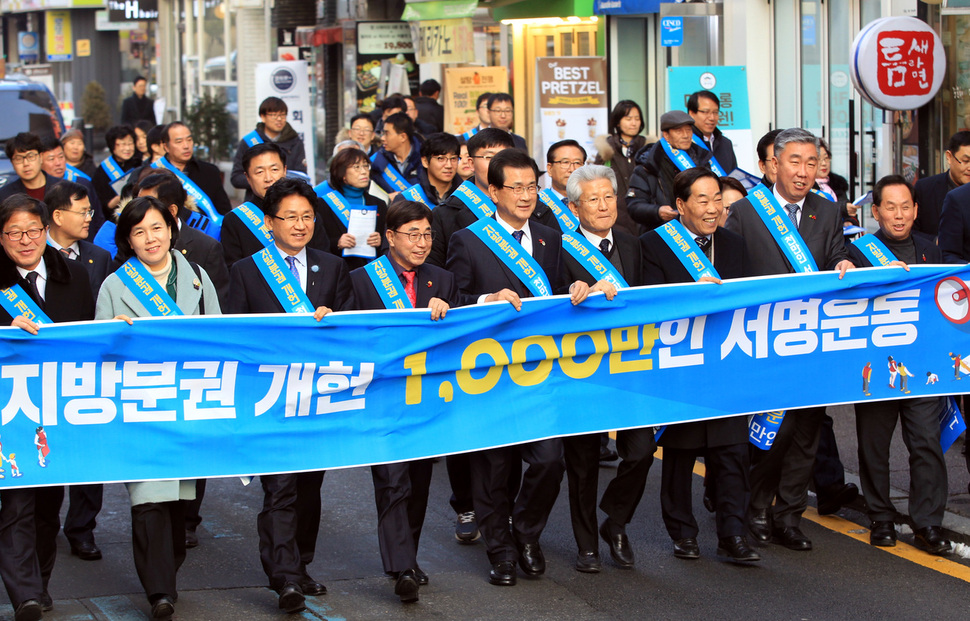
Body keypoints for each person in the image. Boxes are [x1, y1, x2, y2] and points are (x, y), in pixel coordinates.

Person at [446, 149, 592, 586]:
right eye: (517, 187)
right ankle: (501, 552)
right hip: (489, 375)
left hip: (538, 373)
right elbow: (454, 304)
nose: (527, 196)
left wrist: (579, 285)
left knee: (549, 461)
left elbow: (555, 292)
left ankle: (526, 533)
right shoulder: (468, 240)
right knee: (494, 468)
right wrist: (484, 301)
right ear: (493, 191)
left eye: (533, 186)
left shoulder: (550, 237)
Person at [228, 178, 354, 614]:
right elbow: (236, 336)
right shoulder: (247, 271)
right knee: (279, 488)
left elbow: (350, 329)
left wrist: (332, 319)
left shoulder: (332, 266)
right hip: (271, 398)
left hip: (317, 397)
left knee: (309, 486)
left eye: (306, 217)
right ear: (269, 223)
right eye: (290, 217)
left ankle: (301, 564)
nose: (300, 225)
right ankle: (283, 577)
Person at [725, 128, 853, 552]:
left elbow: (835, 252)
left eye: (811, 163)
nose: (803, 171)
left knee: (807, 430)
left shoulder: (827, 210)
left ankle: (790, 515)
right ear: (774, 164)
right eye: (794, 162)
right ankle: (757, 506)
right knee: (771, 430)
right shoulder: (746, 212)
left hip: (814, 339)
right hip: (764, 340)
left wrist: (844, 261)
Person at [95, 195, 220, 621]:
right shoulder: (115, 285)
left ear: (171, 229)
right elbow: (98, 357)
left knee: (179, 503)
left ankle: (166, 578)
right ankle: (159, 592)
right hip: (140, 409)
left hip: (188, 408)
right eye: (138, 231)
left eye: (156, 228)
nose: (150, 238)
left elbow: (220, 342)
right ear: (128, 240)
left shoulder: (199, 279)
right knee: (148, 500)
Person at [641, 168, 758, 563]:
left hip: (726, 364)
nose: (713, 209)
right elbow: (653, 306)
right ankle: (682, 532)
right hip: (681, 366)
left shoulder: (734, 244)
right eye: (703, 201)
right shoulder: (654, 245)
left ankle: (733, 534)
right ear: (680, 205)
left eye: (718, 200)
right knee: (680, 454)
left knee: (732, 454)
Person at [350, 200, 459, 603]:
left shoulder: (442, 280)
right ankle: (402, 567)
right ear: (390, 237)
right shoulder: (362, 280)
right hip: (381, 400)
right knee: (393, 481)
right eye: (413, 234)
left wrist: (449, 311)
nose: (422, 242)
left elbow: (465, 329)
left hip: (426, 401)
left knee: (418, 483)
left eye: (427, 234)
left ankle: (407, 556)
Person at [0, 194, 94, 621]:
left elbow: (91, 333)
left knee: (46, 506)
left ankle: (39, 583)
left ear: (46, 230)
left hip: (58, 410)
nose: (25, 240)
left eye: (32, 231)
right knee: (16, 503)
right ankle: (25, 595)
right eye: (14, 232)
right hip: (9, 410)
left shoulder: (73, 273)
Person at [847, 174, 950, 556]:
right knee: (874, 446)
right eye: (890, 206)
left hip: (922, 369)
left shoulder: (931, 251)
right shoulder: (858, 253)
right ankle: (881, 517)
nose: (899, 214)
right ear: (875, 212)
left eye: (906, 206)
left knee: (926, 443)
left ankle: (928, 523)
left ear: (917, 210)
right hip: (875, 367)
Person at [557, 164, 652, 572]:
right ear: (575, 206)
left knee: (642, 451)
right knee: (582, 463)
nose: (603, 205)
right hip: (582, 370)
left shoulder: (633, 245)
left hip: (630, 366)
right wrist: (574, 293)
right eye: (592, 199)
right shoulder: (558, 248)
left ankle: (615, 521)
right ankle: (586, 546)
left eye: (608, 196)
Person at [137, 171, 231, 310]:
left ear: (172, 210)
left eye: (147, 206)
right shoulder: (133, 242)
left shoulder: (206, 248)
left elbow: (218, 306)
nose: (138, 211)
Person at [428, 128, 516, 268]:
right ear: (470, 163)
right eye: (490, 158)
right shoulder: (444, 215)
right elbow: (435, 274)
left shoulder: (535, 208)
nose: (499, 165)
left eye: (506, 157)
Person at [626, 110, 712, 232]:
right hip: (662, 234)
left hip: (699, 231)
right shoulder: (649, 165)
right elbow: (634, 205)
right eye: (679, 131)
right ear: (666, 135)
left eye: (688, 130)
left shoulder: (702, 159)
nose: (686, 135)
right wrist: (657, 211)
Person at [221, 142, 290, 267]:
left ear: (284, 171)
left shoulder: (307, 214)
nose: (268, 178)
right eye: (259, 172)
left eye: (274, 169)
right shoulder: (235, 221)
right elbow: (233, 272)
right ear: (247, 178)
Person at [319, 148, 387, 271]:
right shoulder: (323, 204)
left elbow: (389, 242)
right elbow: (316, 244)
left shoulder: (379, 204)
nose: (364, 172)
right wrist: (337, 243)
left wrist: (380, 241)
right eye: (356, 167)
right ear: (342, 173)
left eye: (366, 166)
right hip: (338, 271)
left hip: (371, 272)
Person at [44, 182, 111, 307]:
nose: (89, 218)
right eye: (82, 213)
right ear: (58, 216)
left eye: (89, 212)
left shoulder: (100, 257)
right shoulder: (34, 254)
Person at [155, 121, 233, 216]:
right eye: (179, 142)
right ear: (166, 147)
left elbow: (224, 210)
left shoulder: (210, 172)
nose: (186, 146)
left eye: (189, 140)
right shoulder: (155, 173)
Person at [593, 100, 646, 236]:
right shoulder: (606, 150)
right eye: (628, 119)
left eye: (637, 118)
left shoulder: (648, 148)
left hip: (644, 215)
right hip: (617, 217)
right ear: (617, 122)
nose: (633, 123)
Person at [230, 97, 307, 191]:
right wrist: (259, 180)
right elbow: (236, 178)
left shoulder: (295, 141)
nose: (279, 119)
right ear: (263, 117)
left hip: (286, 198)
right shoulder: (250, 141)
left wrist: (279, 181)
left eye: (282, 115)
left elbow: (301, 175)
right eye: (274, 115)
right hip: (257, 201)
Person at [39, 136, 105, 239]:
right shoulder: (40, 188)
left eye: (61, 157)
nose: (58, 163)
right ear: (40, 161)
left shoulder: (82, 183)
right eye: (51, 159)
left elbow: (98, 219)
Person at [917, 130, 970, 238]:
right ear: (949, 157)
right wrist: (935, 242)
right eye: (965, 161)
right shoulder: (925, 189)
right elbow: (911, 232)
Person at [396, 133, 462, 208]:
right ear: (425, 161)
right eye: (441, 158)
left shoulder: (466, 197)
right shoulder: (407, 199)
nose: (449, 165)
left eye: (453, 159)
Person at [92, 125, 143, 218]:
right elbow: (99, 203)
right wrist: (116, 200)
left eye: (130, 144)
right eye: (123, 144)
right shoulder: (102, 171)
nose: (127, 148)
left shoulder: (139, 164)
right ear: (113, 147)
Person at [0, 133, 65, 203]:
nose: (26, 164)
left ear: (40, 157)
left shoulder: (64, 188)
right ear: (12, 163)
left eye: (30, 156)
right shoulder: (4, 195)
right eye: (18, 159)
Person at [538, 139, 586, 233]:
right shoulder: (537, 204)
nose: (572, 169)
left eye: (577, 163)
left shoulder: (593, 203)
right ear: (550, 168)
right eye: (565, 162)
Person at [371, 113, 423, 196]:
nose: (382, 138)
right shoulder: (377, 161)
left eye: (387, 134)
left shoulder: (424, 160)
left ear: (403, 137)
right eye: (382, 133)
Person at [687, 90, 737, 174]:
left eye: (715, 112)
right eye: (706, 112)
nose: (712, 118)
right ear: (692, 113)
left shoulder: (726, 144)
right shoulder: (685, 142)